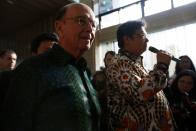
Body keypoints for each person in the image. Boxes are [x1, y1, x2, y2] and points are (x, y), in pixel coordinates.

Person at [2, 2, 100, 131]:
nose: (89, 29)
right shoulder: (33, 69)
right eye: (81, 21)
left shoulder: (84, 70)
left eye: (94, 25)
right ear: (59, 27)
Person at [105, 20, 177, 130]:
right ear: (127, 39)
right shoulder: (118, 64)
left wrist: (162, 69)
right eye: (142, 35)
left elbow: (153, 87)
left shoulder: (133, 62)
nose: (147, 39)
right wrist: (161, 66)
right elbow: (138, 95)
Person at [92, 50, 116, 131]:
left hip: (116, 114)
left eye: (113, 60)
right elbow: (94, 94)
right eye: (109, 59)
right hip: (102, 112)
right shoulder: (98, 76)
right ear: (104, 60)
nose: (111, 62)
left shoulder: (119, 76)